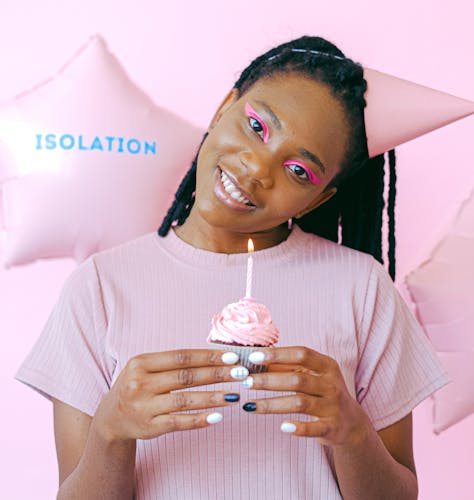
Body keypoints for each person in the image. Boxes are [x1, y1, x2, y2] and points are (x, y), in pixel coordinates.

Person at [16, 35, 448, 499]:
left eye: (299, 170)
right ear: (225, 107)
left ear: (318, 200)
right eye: (258, 126)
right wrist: (111, 432)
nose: (258, 168)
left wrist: (353, 432)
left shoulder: (362, 288)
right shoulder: (99, 286)